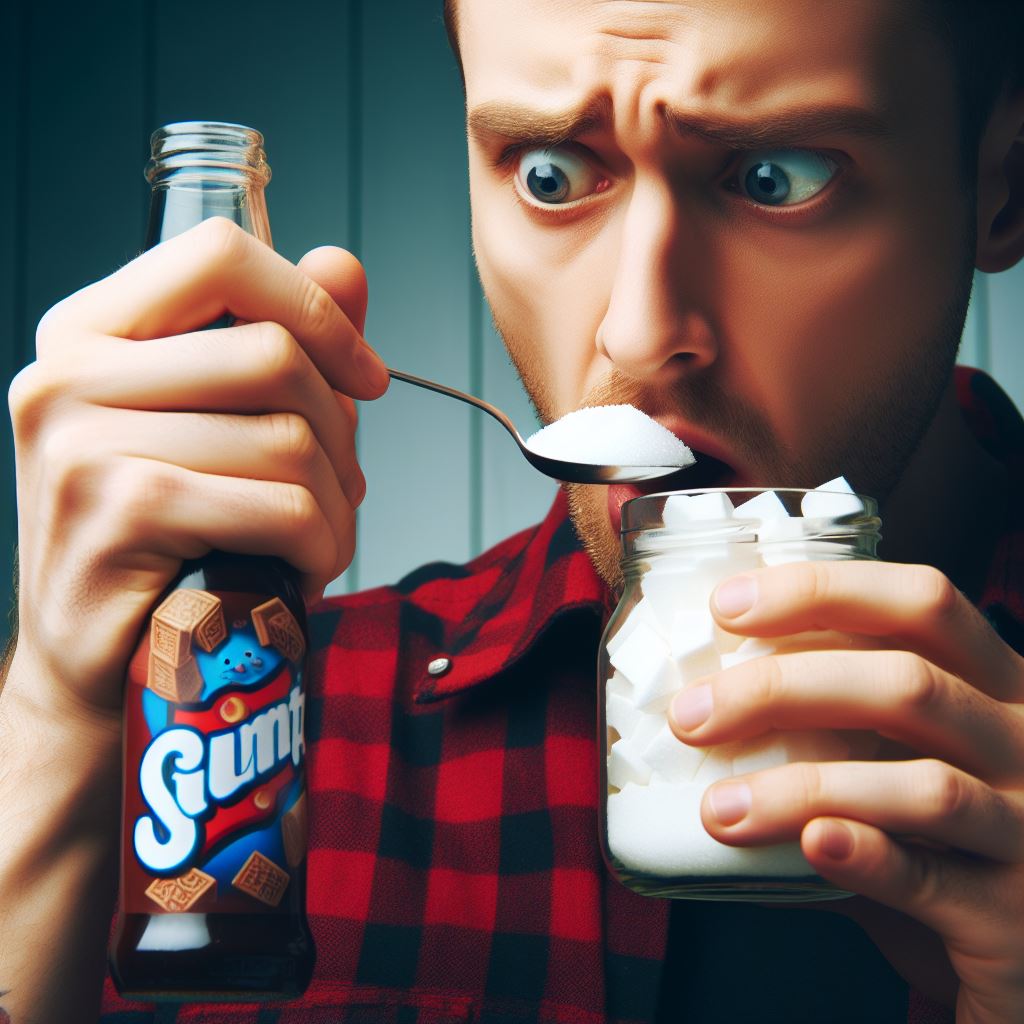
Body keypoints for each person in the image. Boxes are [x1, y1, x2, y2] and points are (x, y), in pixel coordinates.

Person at [2, 0, 1023, 1020]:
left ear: (1001, 188)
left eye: (777, 178)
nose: (637, 333)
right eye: (551, 174)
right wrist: (54, 718)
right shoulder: (256, 762)